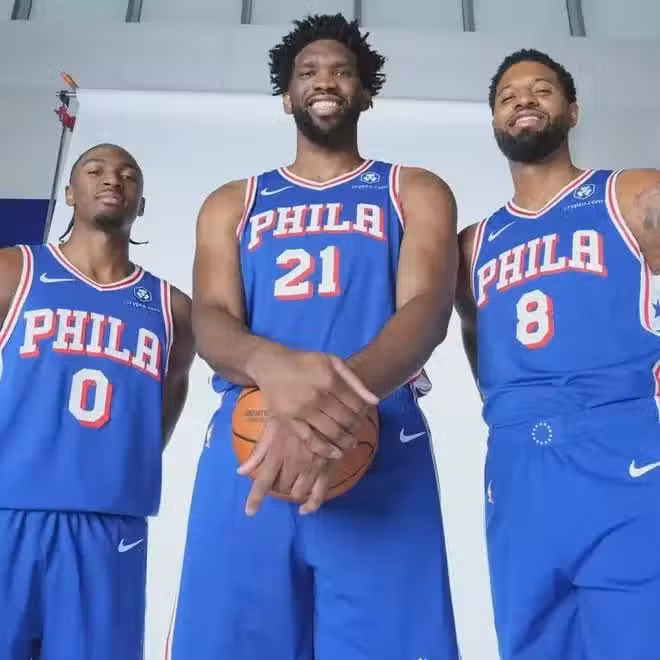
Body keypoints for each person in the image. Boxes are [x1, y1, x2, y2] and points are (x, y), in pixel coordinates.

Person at [169, 13, 460, 660]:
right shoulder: (233, 201)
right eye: (308, 72)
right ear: (287, 96)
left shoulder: (413, 189)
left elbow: (425, 311)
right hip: (252, 440)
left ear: (365, 92)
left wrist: (331, 407)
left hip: (375, 438)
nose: (324, 80)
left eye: (340, 71)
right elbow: (212, 318)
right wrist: (274, 369)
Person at [455, 48, 660, 660]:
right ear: (495, 121)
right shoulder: (473, 244)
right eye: (508, 95)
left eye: (542, 90)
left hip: (621, 447)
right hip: (517, 463)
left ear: (572, 111)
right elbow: (478, 335)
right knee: (534, 645)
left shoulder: (633, 195)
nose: (524, 99)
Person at [0, 143, 195, 659]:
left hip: (110, 522)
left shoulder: (172, 308)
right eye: (96, 170)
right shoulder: (15, 270)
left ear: (141, 203)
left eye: (128, 174)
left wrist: (117, 463)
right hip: (8, 508)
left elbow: (164, 407)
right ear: (70, 192)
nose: (113, 179)